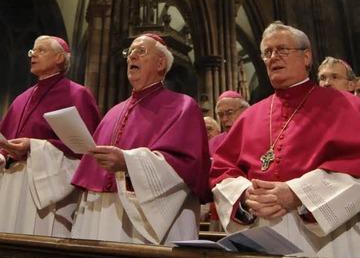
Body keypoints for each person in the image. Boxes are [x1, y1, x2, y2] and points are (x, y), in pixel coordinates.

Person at [210, 22, 360, 258]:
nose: (273, 57)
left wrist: (298, 194)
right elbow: (222, 171)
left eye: (282, 49)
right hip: (263, 235)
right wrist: (246, 197)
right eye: (267, 52)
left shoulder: (346, 106)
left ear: (306, 56)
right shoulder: (250, 116)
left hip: (330, 240)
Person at [71, 33, 210, 245]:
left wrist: (128, 162)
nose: (132, 56)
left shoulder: (183, 107)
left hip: (145, 219)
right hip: (104, 215)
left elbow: (186, 167)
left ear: (161, 63)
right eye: (130, 52)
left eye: (141, 51)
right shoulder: (113, 112)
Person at [0, 35, 100, 236]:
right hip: (12, 185)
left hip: (48, 185)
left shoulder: (77, 94)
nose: (33, 55)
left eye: (41, 50)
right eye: (32, 51)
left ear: (59, 58)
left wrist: (34, 147)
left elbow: (86, 151)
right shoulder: (21, 98)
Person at [205, 90, 249, 230]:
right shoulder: (214, 143)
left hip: (249, 202)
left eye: (229, 113)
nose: (224, 119)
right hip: (219, 207)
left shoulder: (254, 133)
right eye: (220, 115)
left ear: (245, 110)